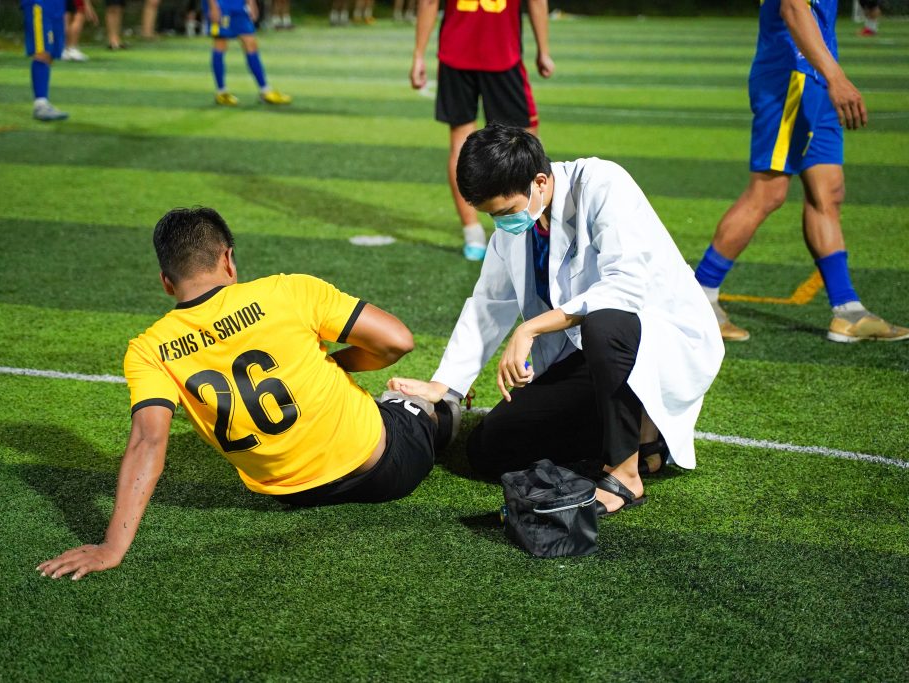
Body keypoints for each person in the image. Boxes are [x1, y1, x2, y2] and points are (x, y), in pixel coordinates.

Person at [36, 207, 458, 580]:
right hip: (386, 469)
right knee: (417, 402)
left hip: (296, 495)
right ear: (227, 259)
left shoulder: (149, 349)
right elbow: (398, 341)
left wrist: (112, 547)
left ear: (166, 282)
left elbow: (148, 441)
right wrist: (331, 365)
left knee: (383, 403)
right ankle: (446, 408)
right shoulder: (287, 291)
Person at [389, 125, 724, 516]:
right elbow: (489, 303)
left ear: (540, 181)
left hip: (656, 341)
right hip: (589, 355)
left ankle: (625, 473)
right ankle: (646, 438)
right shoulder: (520, 220)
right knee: (489, 449)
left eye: (504, 212)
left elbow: (625, 288)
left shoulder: (603, 183)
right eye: (491, 216)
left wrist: (531, 327)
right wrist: (444, 387)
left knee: (604, 322)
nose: (501, 224)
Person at [694, 0, 907, 343]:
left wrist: (829, 76)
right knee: (768, 192)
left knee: (829, 192)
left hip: (817, 78)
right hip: (790, 77)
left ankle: (848, 311)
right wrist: (836, 77)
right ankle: (699, 296)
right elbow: (793, 7)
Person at [410, 0, 554, 262]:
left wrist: (418, 54)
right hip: (501, 51)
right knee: (525, 141)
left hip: (455, 51)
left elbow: (428, 2)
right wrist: (543, 49)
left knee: (459, 144)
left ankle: (472, 233)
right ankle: (535, 228)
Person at [203, 0, 292, 105]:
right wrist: (213, 6)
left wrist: (251, 2)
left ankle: (265, 90)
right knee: (220, 44)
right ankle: (221, 91)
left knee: (251, 43)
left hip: (239, 6)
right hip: (221, 6)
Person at [21, 0, 70, 121]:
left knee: (51, 54)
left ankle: (44, 103)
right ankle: (40, 105)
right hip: (40, 4)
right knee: (42, 52)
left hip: (57, 6)